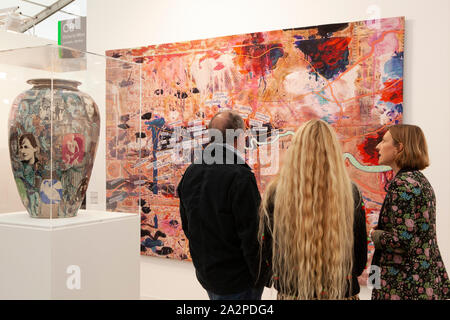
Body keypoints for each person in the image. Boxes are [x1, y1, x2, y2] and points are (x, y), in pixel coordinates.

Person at [258, 119, 367, 300]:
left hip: (292, 293)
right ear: (333, 152)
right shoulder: (351, 193)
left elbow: (266, 250)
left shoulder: (276, 193)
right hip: (340, 293)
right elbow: (360, 257)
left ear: (296, 151)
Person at [177, 111, 270, 300]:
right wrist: (263, 276)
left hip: (209, 275)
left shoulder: (192, 171)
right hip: (239, 281)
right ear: (238, 136)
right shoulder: (240, 176)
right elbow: (252, 236)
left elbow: (189, 226)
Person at [370, 124, 450, 300]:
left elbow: (402, 242)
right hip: (422, 280)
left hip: (404, 284)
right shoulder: (420, 181)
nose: (378, 147)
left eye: (384, 141)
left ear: (400, 147)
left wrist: (375, 234)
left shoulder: (402, 184)